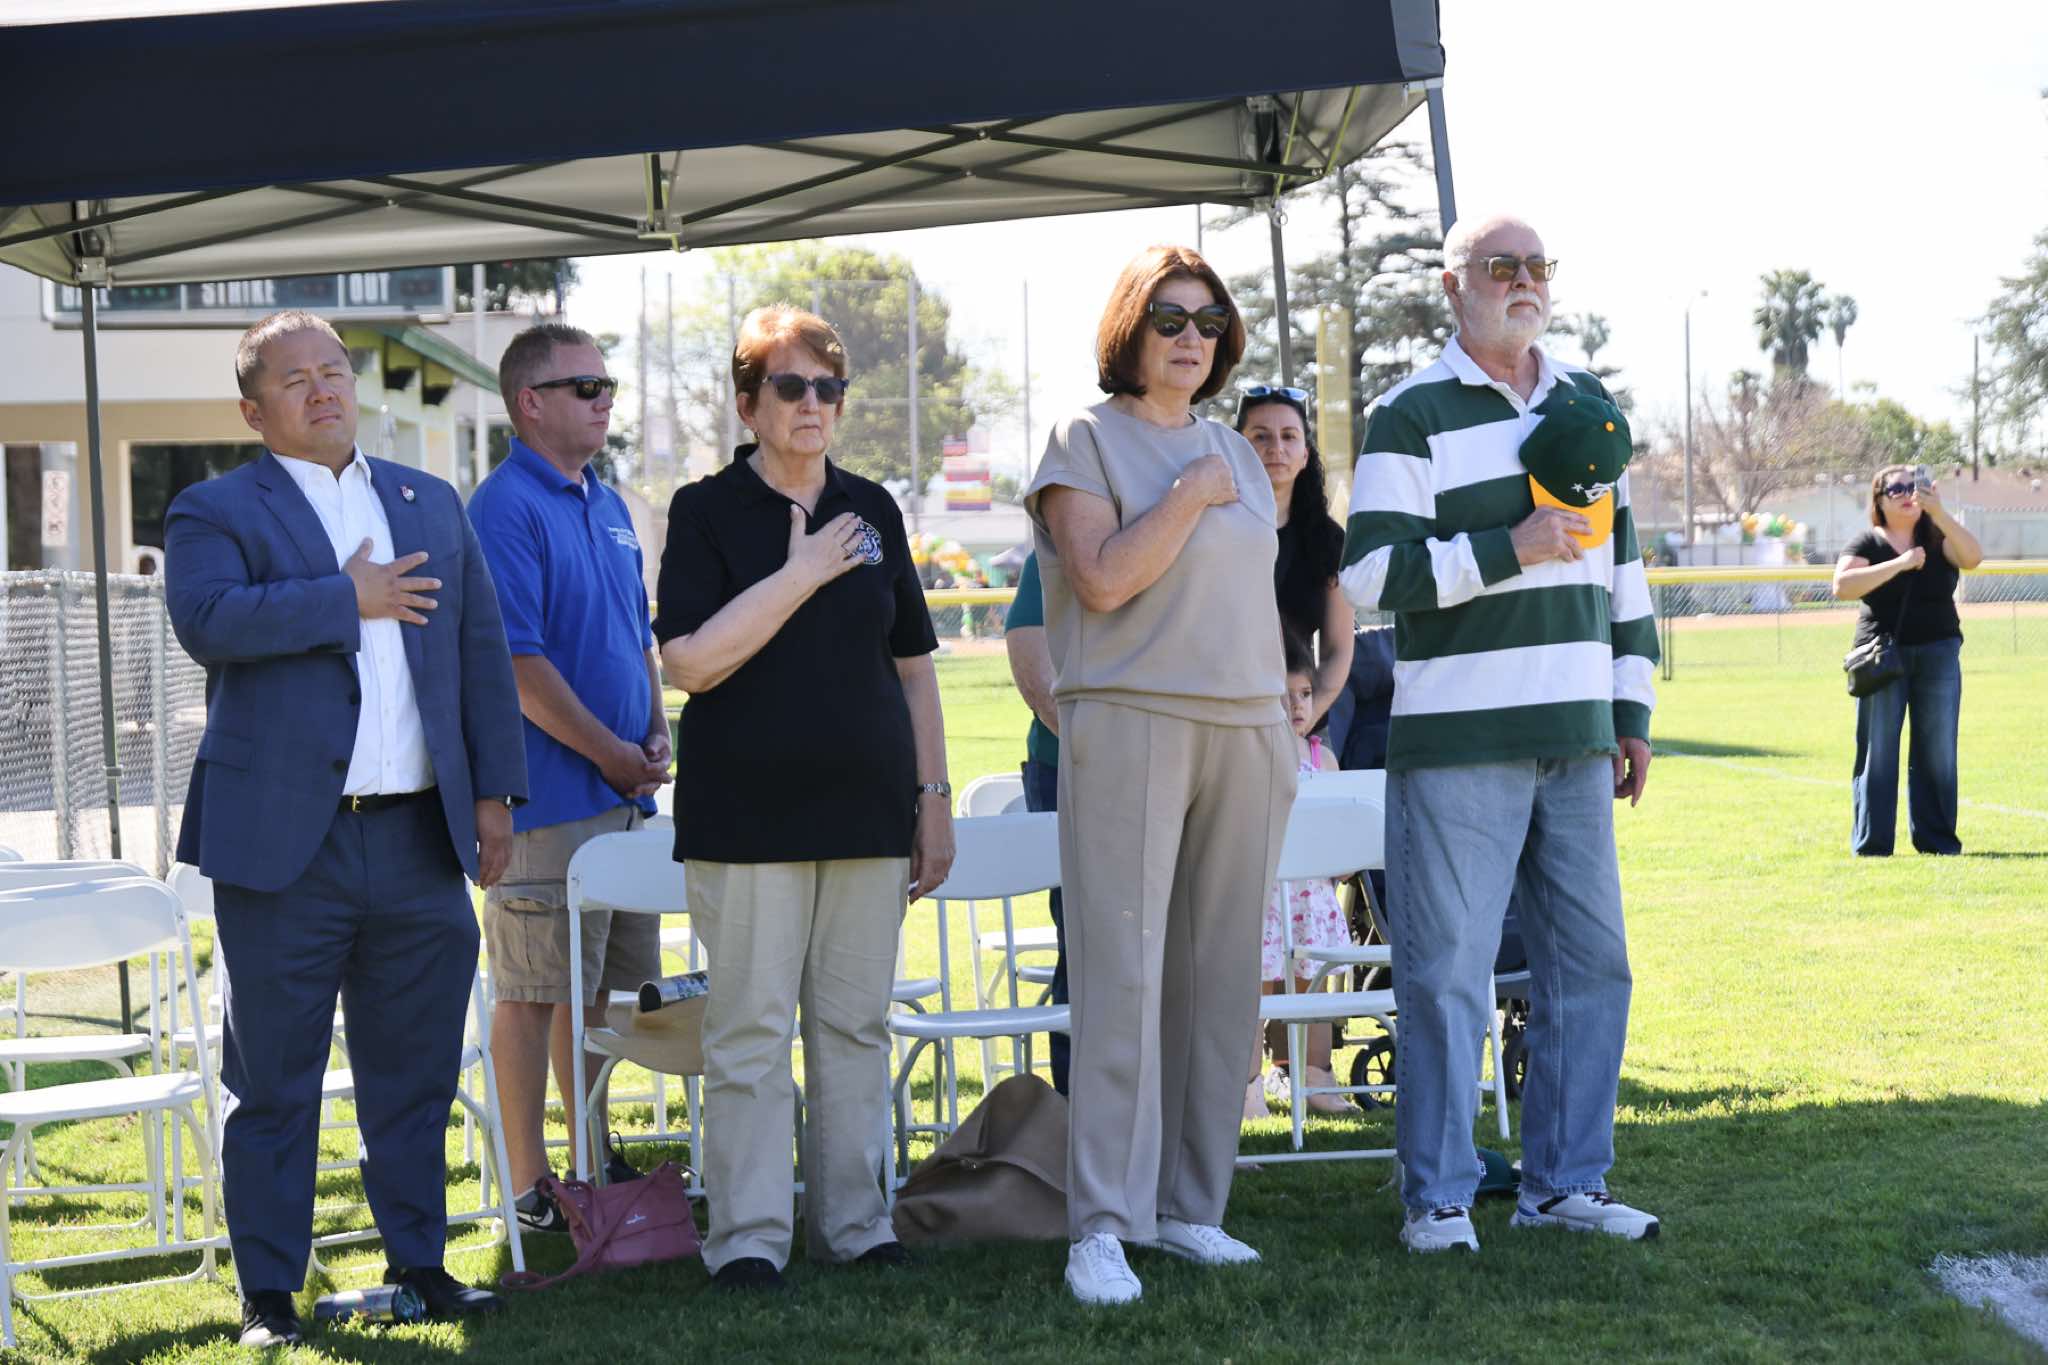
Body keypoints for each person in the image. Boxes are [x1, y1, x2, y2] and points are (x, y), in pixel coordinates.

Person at [164, 310, 525, 1347]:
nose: (324, 389)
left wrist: (494, 795)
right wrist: (345, 598)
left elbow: (480, 651)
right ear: (253, 410)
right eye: (296, 380)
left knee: (414, 1072)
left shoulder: (426, 499)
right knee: (272, 1080)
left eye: (334, 371)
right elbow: (208, 621)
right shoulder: (213, 507)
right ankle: (269, 1294)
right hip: (285, 845)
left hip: (418, 839)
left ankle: (420, 1265)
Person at [1341, 213, 1661, 1254]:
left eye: (1535, 266)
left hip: (1577, 737)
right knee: (1445, 975)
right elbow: (1367, 575)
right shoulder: (1409, 414)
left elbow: (1623, 574)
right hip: (1456, 742)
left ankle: (1564, 1183)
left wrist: (1630, 709)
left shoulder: (1585, 404)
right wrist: (1505, 548)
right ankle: (1436, 1197)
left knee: (1592, 968)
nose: (1523, 281)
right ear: (1453, 285)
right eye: (1499, 266)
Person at [654, 305, 954, 1294]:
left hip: (868, 812)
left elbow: (913, 668)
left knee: (855, 1028)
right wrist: (802, 572)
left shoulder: (873, 507)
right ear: (749, 404)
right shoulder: (705, 510)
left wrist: (934, 798)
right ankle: (747, 1238)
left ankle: (855, 1225)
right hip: (745, 820)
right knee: (747, 1033)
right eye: (790, 386)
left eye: (828, 387)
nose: (812, 403)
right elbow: (690, 662)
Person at [1026, 245, 1296, 1306]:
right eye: (1170, 319)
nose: (1192, 337)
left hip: (1246, 728)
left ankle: (1190, 1207)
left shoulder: (1237, 450)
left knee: (1221, 982)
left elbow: (1245, 595)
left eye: (1209, 321)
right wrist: (1189, 494)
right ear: (1130, 330)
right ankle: (1100, 1223)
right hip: (1130, 719)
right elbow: (1101, 581)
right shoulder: (1084, 438)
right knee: (1123, 978)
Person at [467, 323, 673, 1229]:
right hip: (546, 803)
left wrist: (655, 726)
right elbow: (518, 666)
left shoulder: (610, 502)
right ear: (530, 403)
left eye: (607, 383)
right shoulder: (503, 507)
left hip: (622, 797)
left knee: (601, 998)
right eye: (584, 386)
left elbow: (637, 635)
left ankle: (589, 1157)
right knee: (531, 992)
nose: (604, 398)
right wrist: (608, 751)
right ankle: (529, 1188)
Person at [1831, 464, 1983, 855]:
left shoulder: (1937, 535)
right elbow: (1842, 586)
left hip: (1939, 651)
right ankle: (1873, 844)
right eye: (1895, 488)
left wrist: (1940, 513)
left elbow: (1972, 557)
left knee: (1938, 750)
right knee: (1878, 750)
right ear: (1879, 500)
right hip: (1882, 656)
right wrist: (1900, 563)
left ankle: (1937, 841)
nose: (1905, 493)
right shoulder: (1868, 541)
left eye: (1912, 486)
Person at [1247, 631, 1358, 1122]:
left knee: (1311, 991)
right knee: (1254, 994)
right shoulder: (1251, 755)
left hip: (1310, 899)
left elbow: (1342, 839)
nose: (1296, 705)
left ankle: (1315, 1076)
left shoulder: (1322, 759)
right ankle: (1247, 1084)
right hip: (1265, 896)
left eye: (1305, 693)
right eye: (1284, 695)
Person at [1236, 385, 1353, 726]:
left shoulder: (1329, 541)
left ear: (1304, 455)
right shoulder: (1209, 528)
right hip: (1223, 718)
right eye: (1260, 436)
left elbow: (1338, 651)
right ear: (1237, 448)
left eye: (1289, 436)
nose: (1276, 447)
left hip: (1301, 724)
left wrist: (1305, 720)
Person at [1001, 550, 1069, 1095]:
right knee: (1086, 943)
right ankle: (1079, 1104)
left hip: (1171, 763)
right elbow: (1035, 672)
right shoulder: (1048, 559)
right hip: (1070, 765)